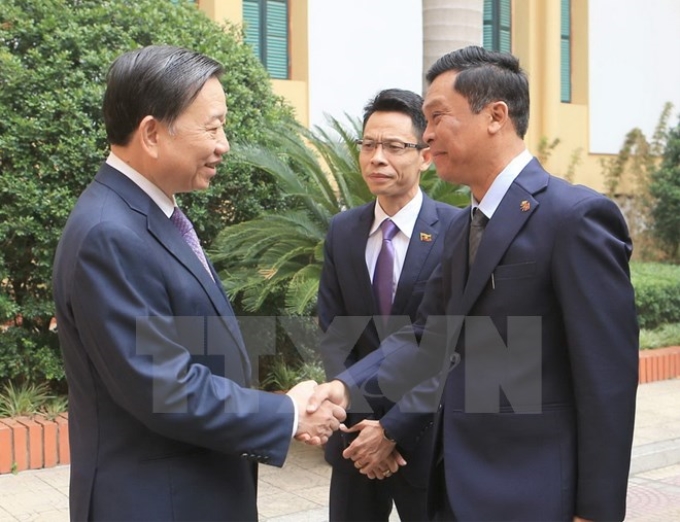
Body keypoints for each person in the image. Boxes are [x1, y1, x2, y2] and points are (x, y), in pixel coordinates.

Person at [309, 45, 639, 522]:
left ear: (495, 116)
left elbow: (606, 380)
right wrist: (343, 389)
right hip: (454, 491)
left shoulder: (573, 218)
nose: (426, 136)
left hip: (534, 496)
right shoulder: (464, 228)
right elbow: (428, 338)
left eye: (438, 116)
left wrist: (596, 510)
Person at [52, 45, 344, 522]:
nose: (223, 144)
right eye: (212, 127)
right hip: (156, 502)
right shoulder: (110, 234)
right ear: (151, 133)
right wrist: (287, 414)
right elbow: (164, 388)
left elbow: (189, 352)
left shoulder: (147, 215)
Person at [318, 88, 462, 521]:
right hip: (356, 441)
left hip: (428, 437)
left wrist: (394, 429)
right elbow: (334, 335)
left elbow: (449, 347)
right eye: (369, 145)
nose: (377, 157)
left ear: (425, 155)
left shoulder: (456, 232)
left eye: (395, 146)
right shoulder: (343, 231)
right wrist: (366, 431)